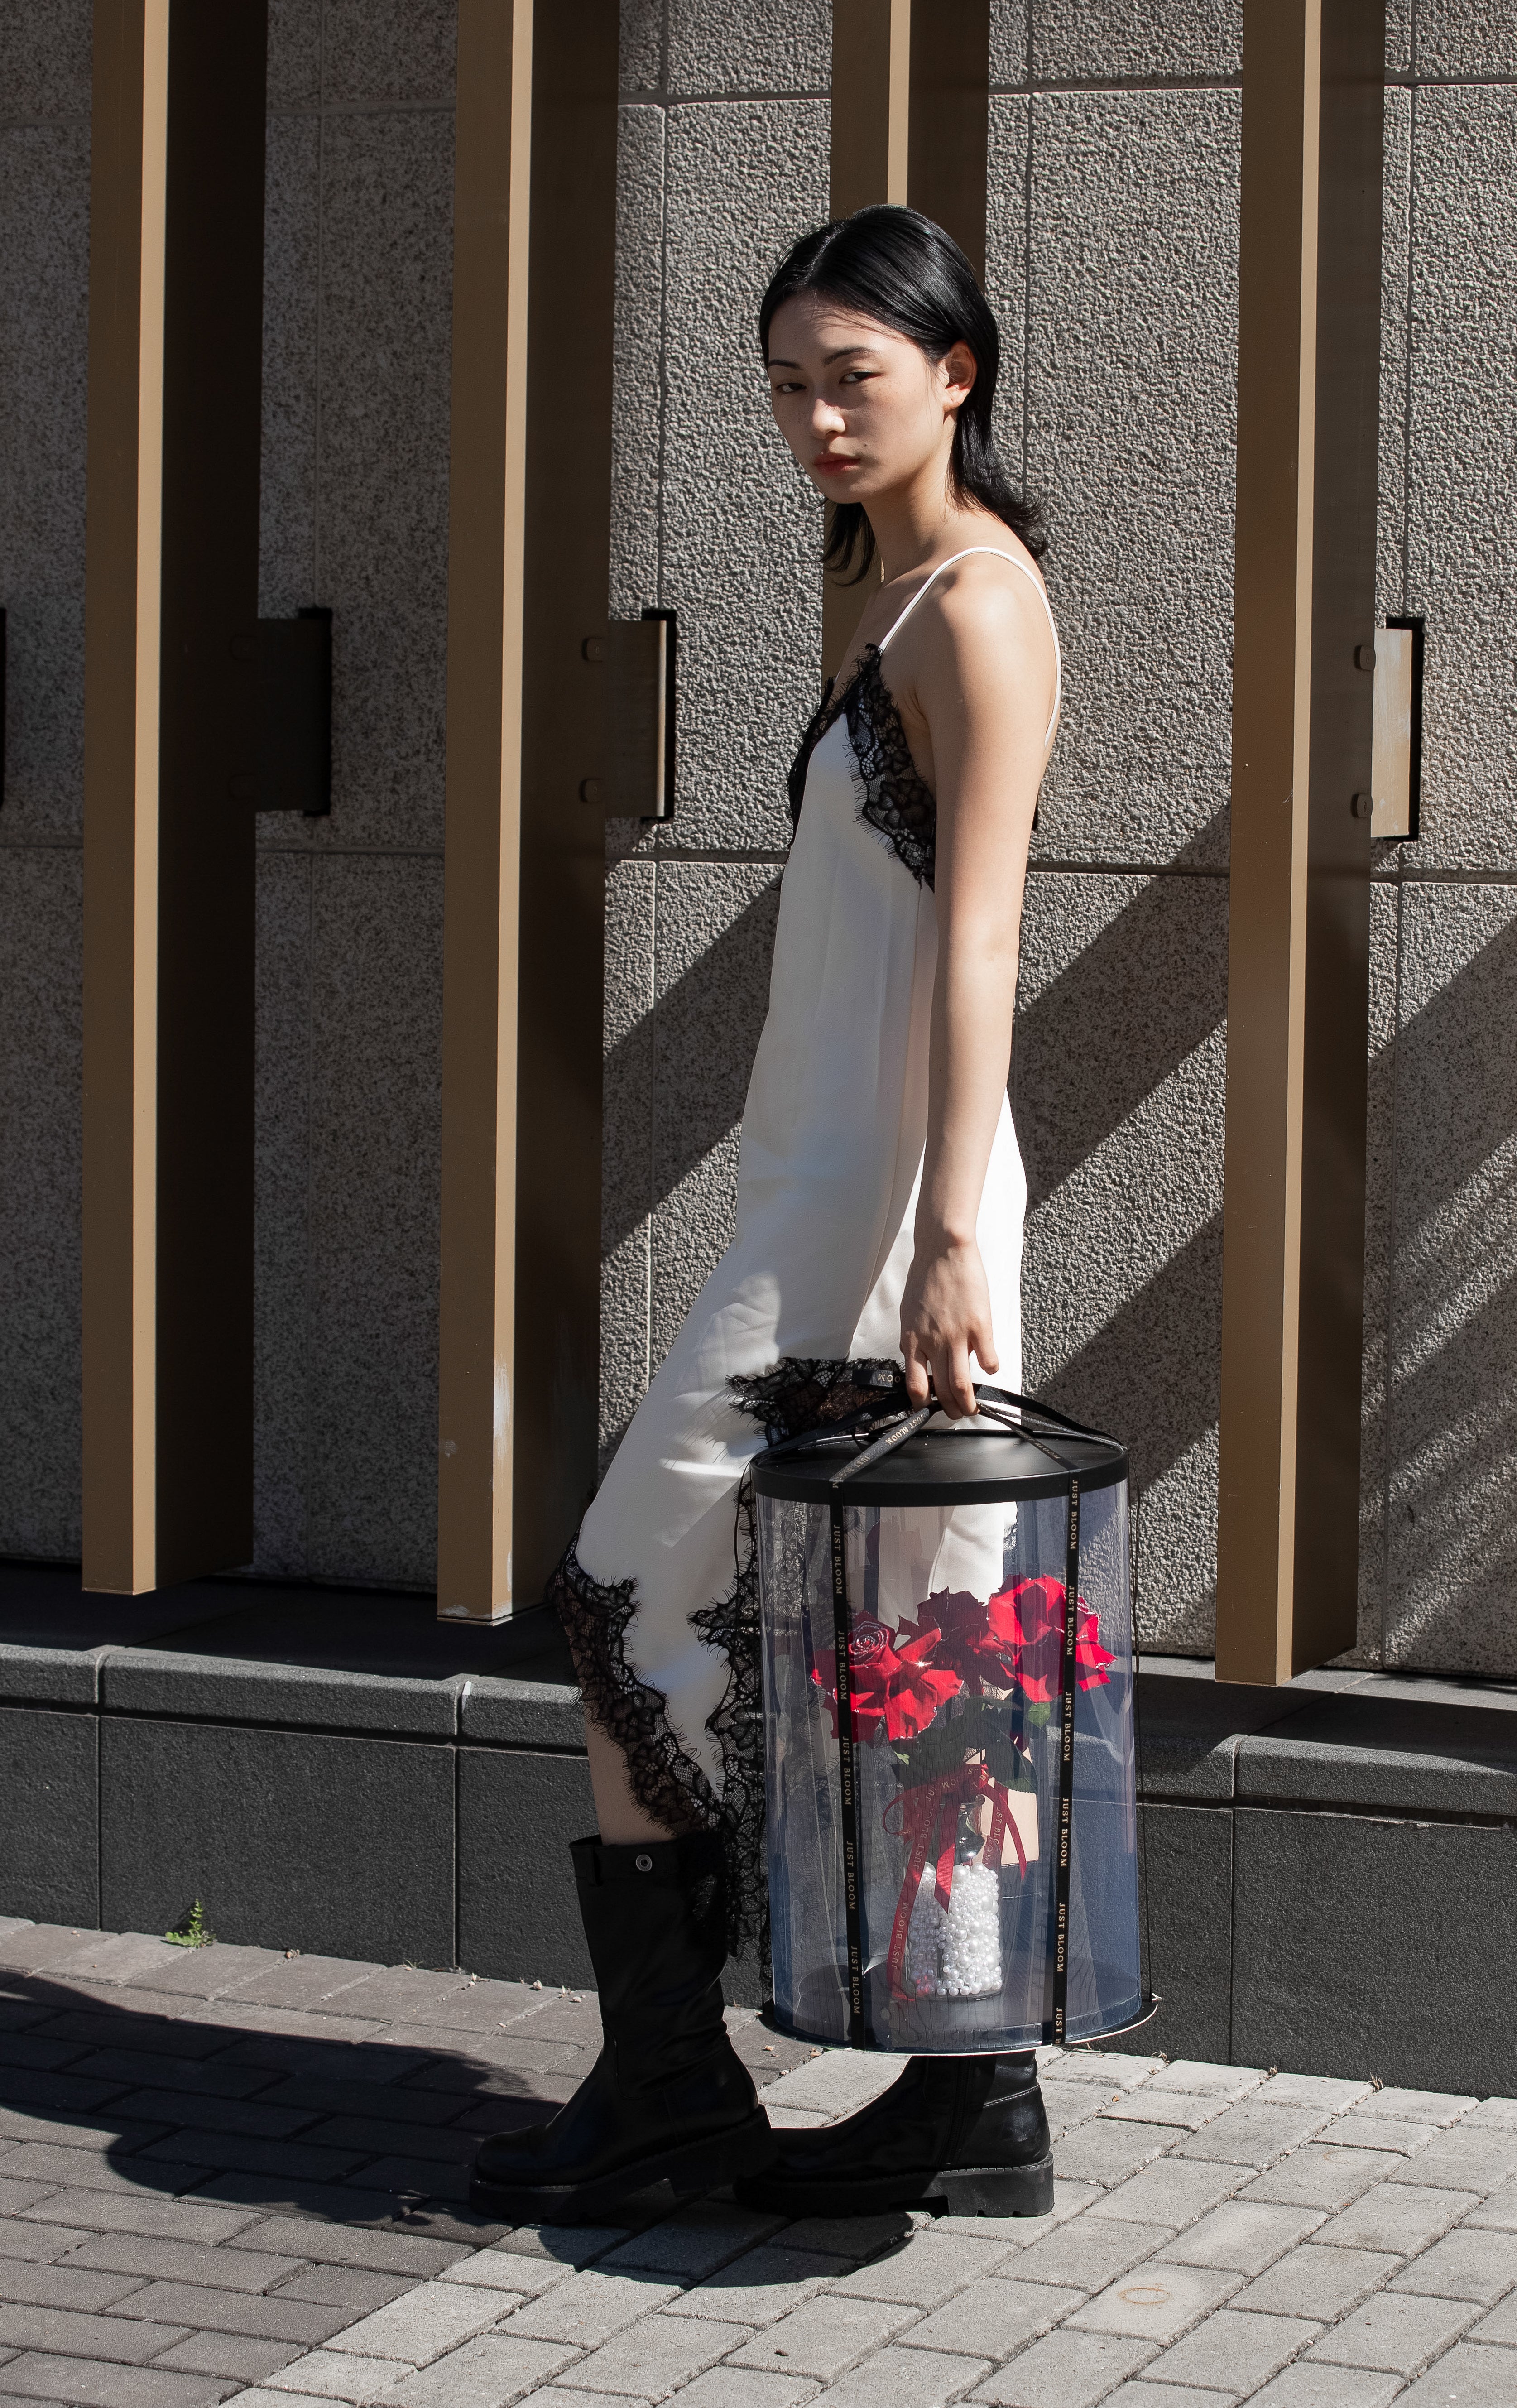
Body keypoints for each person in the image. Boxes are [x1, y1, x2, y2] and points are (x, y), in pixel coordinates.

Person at [471, 203, 1062, 2225]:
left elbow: (982, 938)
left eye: (855, 376)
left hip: (884, 1218)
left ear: (954, 375)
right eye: (788, 383)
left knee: (628, 1590)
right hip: (837, 1190)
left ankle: (676, 2097)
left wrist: (954, 1244)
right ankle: (955, 2103)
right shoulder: (885, 595)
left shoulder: (975, 602)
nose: (815, 415)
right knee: (893, 1629)